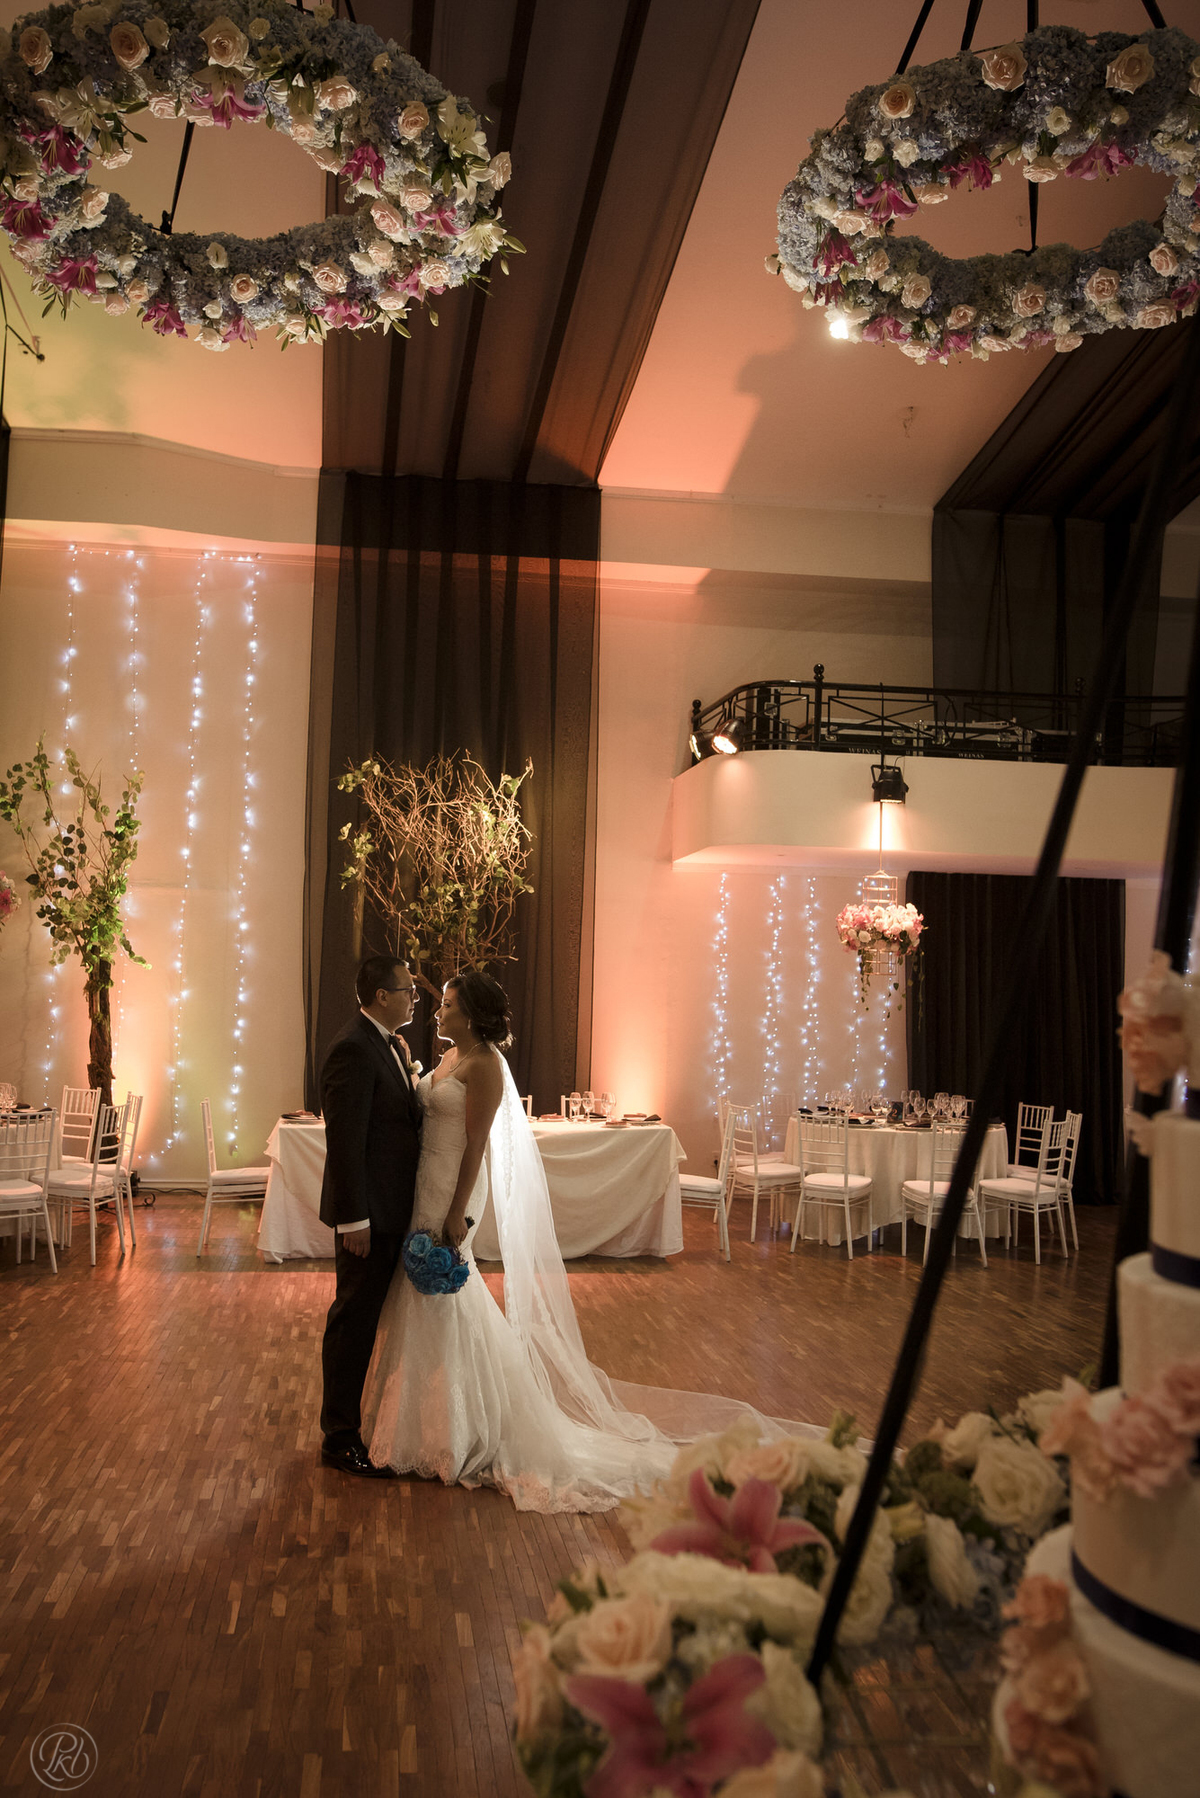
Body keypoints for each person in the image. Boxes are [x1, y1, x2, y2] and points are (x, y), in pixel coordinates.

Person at [363, 969, 815, 1510]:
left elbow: (478, 1145)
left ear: (474, 1015)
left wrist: (458, 1211)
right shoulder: (449, 1058)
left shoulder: (484, 1066)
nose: (440, 1013)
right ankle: (424, 1417)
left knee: (446, 1293)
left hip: (452, 1188)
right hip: (425, 1183)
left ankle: (457, 1429)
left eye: (450, 1006)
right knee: (424, 1296)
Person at [318, 954, 422, 1478]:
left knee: (362, 1320)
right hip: (368, 1217)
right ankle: (338, 1437)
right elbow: (345, 1142)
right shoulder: (354, 1049)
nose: (413, 998)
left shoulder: (386, 1045)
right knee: (352, 1322)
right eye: (408, 990)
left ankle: (350, 1427)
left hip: (388, 1211)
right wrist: (352, 1219)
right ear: (383, 995)